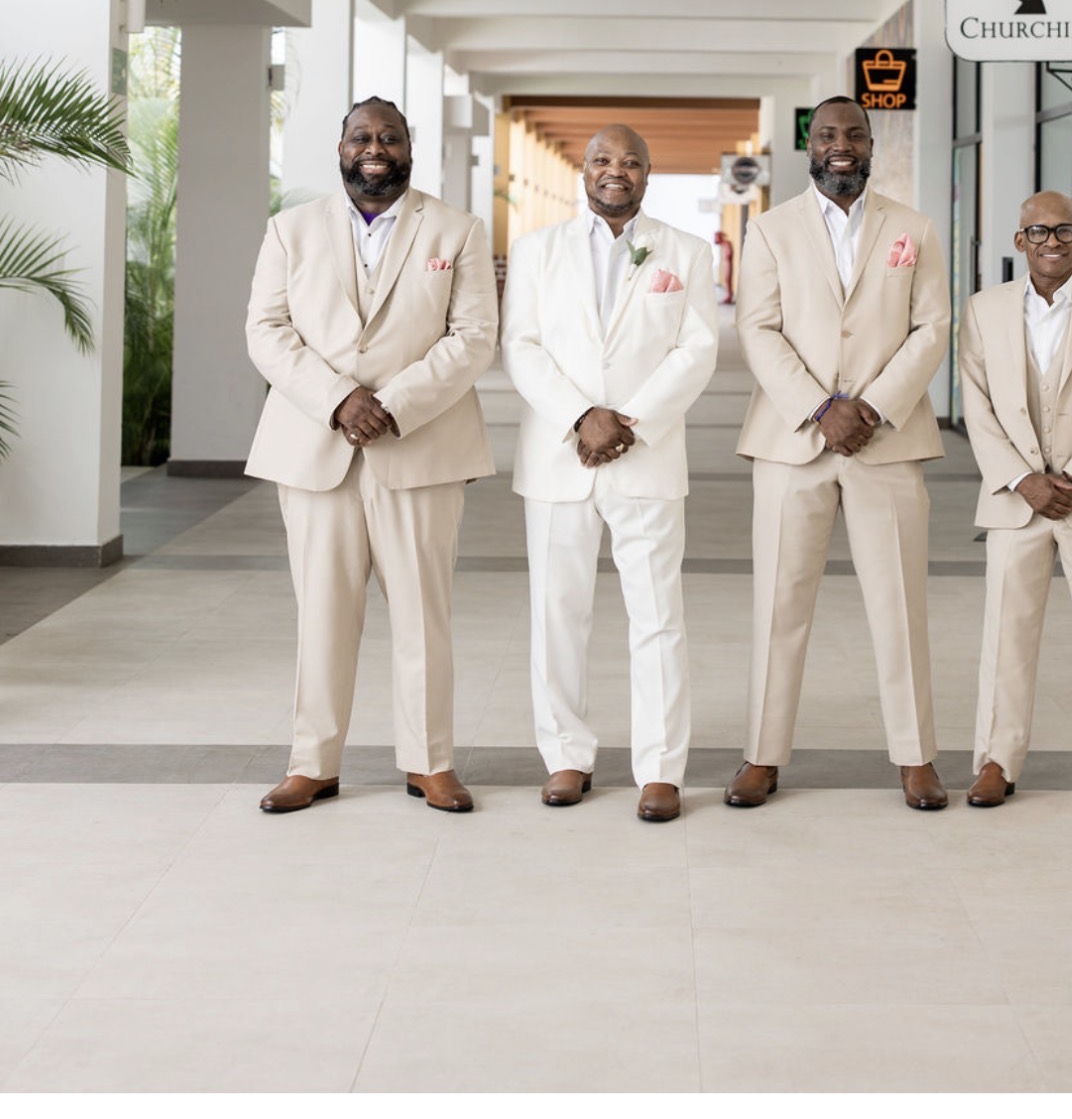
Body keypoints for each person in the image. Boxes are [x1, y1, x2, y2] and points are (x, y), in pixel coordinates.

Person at [246, 97, 498, 814]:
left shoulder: (457, 229)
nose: (375, 147)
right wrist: (338, 399)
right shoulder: (291, 229)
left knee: (424, 615)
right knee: (322, 615)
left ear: (409, 148)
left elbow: (475, 335)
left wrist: (393, 405)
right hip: (314, 449)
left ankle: (431, 762)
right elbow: (266, 330)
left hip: (421, 447)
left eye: (389, 136)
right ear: (341, 147)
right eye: (361, 135)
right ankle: (312, 764)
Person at [725, 95, 951, 811]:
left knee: (899, 604)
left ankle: (916, 756)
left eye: (854, 133)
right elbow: (757, 328)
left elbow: (932, 327)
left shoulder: (914, 228)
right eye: (827, 134)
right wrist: (822, 408)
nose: (841, 144)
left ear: (872, 144)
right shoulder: (770, 230)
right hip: (793, 441)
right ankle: (762, 754)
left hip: (888, 440)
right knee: (779, 604)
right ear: (810, 146)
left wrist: (872, 406)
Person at [501, 125, 719, 823]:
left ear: (648, 174)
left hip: (645, 455)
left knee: (658, 617)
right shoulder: (537, 250)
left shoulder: (685, 251)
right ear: (584, 170)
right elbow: (521, 346)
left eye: (629, 161)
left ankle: (660, 769)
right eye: (602, 159)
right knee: (557, 613)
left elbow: (697, 348)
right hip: (558, 459)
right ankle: (566, 755)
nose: (614, 170)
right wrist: (579, 417)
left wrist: (629, 421)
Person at [959, 190, 1072, 812]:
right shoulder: (983, 311)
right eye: (1038, 232)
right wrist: (1023, 479)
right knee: (1007, 633)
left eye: (1065, 231)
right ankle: (996, 760)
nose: (1052, 242)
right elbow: (977, 407)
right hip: (1016, 500)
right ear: (1020, 241)